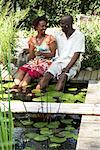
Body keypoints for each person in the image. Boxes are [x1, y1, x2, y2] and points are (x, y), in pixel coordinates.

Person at [36, 14, 85, 91]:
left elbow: (76, 55)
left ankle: (57, 99)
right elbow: (46, 42)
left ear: (68, 25)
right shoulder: (58, 34)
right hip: (58, 62)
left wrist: (67, 69)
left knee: (62, 77)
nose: (60, 26)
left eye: (62, 24)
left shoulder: (79, 36)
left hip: (72, 64)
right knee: (46, 76)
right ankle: (37, 96)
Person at [12, 16, 57, 92]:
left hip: (46, 62)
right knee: (22, 70)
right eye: (42, 26)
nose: (44, 28)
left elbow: (53, 54)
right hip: (35, 61)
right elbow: (32, 56)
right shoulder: (32, 39)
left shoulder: (50, 38)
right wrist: (31, 52)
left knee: (29, 74)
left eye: (45, 26)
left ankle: (21, 89)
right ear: (36, 27)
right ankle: (15, 87)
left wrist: (41, 53)